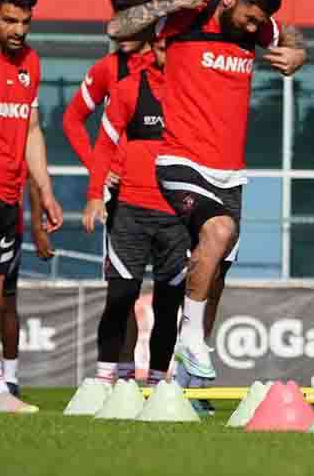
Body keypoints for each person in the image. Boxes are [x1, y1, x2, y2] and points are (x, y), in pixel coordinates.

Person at [104, 0, 306, 394]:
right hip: (181, 163)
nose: (255, 28)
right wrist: (172, 0)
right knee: (219, 230)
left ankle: (188, 384)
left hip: (229, 175)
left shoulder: (257, 28)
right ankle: (190, 342)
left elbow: (290, 33)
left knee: (213, 279)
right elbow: (117, 26)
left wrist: (297, 53)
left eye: (259, 23)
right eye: (251, 19)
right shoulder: (186, 19)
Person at [0, 0, 63, 413]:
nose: (19, 31)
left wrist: (44, 191)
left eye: (25, 21)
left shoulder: (32, 62)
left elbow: (31, 130)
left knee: (0, 294)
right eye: (10, 20)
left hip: (9, 194)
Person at [63, 0, 159, 382]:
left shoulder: (174, 64)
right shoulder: (107, 68)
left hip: (175, 194)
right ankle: (118, 376)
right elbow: (71, 121)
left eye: (129, 19)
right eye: (116, 19)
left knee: (180, 291)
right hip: (125, 196)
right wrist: (99, 175)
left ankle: (174, 380)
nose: (120, 28)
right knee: (123, 291)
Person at [81, 33, 187, 390]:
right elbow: (104, 144)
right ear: (151, 48)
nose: (165, 54)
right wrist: (96, 195)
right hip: (130, 212)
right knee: (120, 297)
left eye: (172, 48)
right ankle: (105, 380)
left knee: (168, 305)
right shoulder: (127, 89)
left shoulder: (195, 94)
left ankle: (158, 383)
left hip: (177, 217)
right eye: (159, 47)